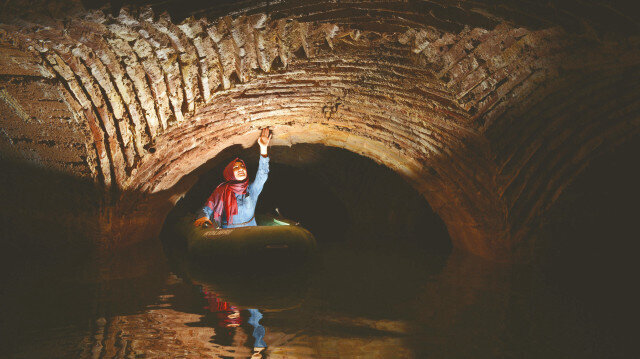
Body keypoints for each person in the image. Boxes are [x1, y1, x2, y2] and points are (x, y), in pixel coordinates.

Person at [194, 128, 271, 229]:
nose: (240, 169)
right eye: (236, 167)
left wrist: (263, 148)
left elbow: (262, 174)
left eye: (242, 166)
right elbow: (207, 208)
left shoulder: (251, 189)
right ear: (230, 172)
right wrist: (203, 218)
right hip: (229, 236)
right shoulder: (221, 191)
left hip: (251, 231)